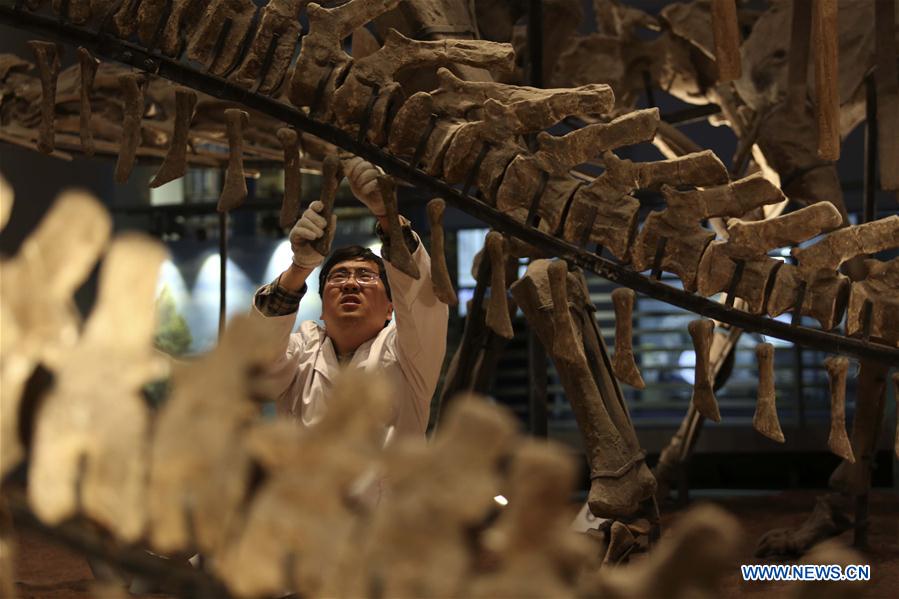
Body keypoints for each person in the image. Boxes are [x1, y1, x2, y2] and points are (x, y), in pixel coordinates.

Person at [251, 157, 448, 440]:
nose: (351, 284)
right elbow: (256, 365)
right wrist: (301, 267)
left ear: (391, 309)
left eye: (366, 277)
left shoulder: (409, 356)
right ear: (321, 309)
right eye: (338, 277)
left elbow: (422, 301)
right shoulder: (300, 352)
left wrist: (387, 215)